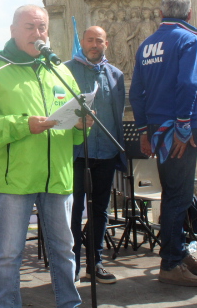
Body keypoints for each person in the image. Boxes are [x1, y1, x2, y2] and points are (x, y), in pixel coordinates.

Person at [0, 5, 89, 308]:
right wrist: (25, 125)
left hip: (58, 174)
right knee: (9, 253)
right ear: (12, 31)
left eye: (43, 28)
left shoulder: (60, 71)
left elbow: (75, 121)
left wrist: (81, 124)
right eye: (30, 27)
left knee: (64, 249)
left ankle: (70, 304)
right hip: (17, 177)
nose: (38, 34)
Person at [129, 0, 197, 287]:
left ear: (161, 13)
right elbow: (189, 83)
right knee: (178, 196)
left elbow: (136, 92)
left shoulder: (147, 45)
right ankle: (171, 263)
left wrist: (142, 131)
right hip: (178, 131)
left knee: (175, 194)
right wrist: (182, 128)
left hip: (154, 128)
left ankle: (177, 251)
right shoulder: (189, 40)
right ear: (189, 14)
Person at [64, 26, 125, 284]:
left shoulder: (116, 75)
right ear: (82, 42)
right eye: (90, 40)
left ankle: (95, 262)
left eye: (99, 40)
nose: (94, 44)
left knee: (100, 210)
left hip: (106, 152)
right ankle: (72, 265)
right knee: (75, 210)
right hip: (77, 153)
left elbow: (118, 111)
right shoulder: (66, 71)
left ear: (106, 44)